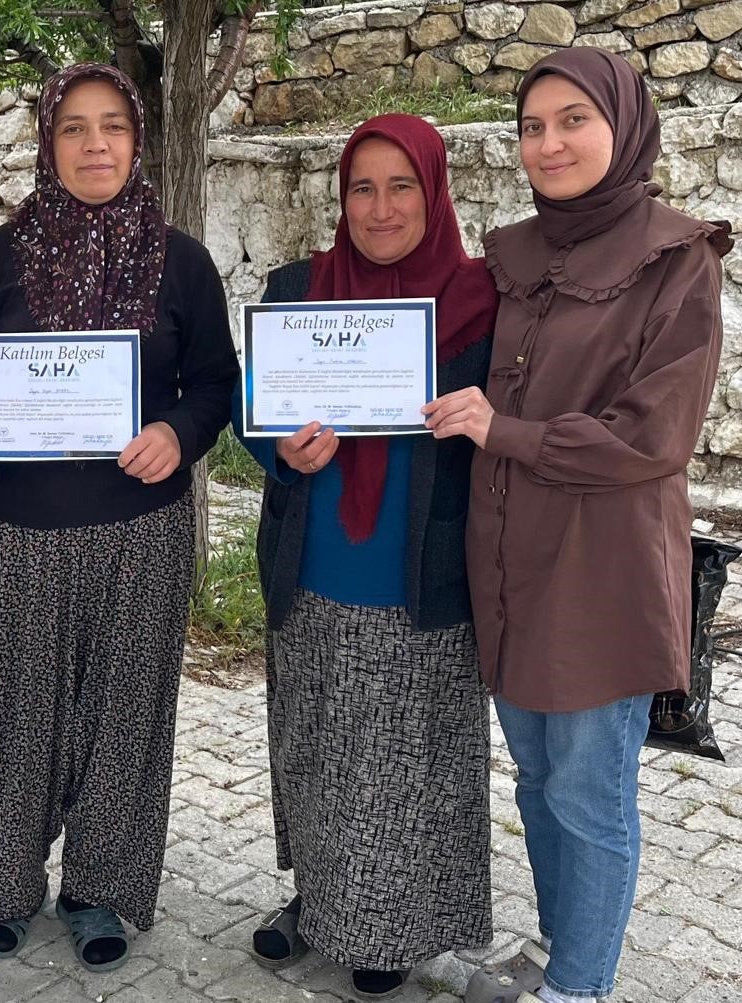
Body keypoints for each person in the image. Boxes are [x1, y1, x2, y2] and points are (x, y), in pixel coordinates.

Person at [428, 50, 731, 1003]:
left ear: (623, 126)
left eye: (572, 121)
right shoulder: (512, 254)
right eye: (531, 126)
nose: (548, 144)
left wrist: (503, 430)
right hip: (505, 561)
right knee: (533, 778)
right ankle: (565, 953)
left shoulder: (676, 259)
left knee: (589, 793)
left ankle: (581, 986)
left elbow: (653, 436)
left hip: (601, 568)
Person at [0, 63, 238, 972]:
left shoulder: (180, 261)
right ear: (47, 143)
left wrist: (177, 433)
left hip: (138, 530)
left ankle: (99, 888)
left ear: (136, 140)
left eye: (112, 126)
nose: (94, 144)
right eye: (72, 127)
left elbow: (214, 382)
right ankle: (5, 881)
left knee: (124, 715)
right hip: (14, 531)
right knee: (8, 712)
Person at [235, 114, 498, 1000]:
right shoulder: (299, 288)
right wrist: (279, 446)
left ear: (435, 191)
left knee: (406, 768)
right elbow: (248, 400)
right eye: (361, 188)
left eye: (400, 186)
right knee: (314, 752)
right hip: (312, 568)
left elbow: (508, 423)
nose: (379, 208)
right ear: (340, 197)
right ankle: (318, 900)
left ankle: (392, 927)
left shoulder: (480, 302)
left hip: (423, 577)